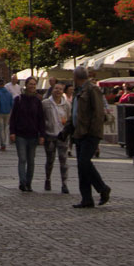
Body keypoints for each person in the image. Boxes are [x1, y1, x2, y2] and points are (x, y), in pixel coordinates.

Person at [71, 66, 110, 209]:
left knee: (84, 162)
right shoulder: (78, 91)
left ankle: (102, 188)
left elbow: (98, 113)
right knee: (81, 167)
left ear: (76, 77)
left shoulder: (92, 90)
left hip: (89, 133)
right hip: (79, 133)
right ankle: (86, 198)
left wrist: (91, 131)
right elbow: (74, 114)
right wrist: (67, 130)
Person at [9, 76, 45, 192]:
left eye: (34, 84)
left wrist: (42, 134)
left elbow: (41, 119)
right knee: (22, 158)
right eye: (30, 84)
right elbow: (13, 117)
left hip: (33, 134)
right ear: (26, 85)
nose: (32, 86)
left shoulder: (38, 101)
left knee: (31, 160)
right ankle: (22, 182)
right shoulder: (18, 99)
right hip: (20, 134)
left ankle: (29, 183)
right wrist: (12, 132)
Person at [43, 81, 71, 193]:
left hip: (62, 136)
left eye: (60, 89)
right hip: (50, 135)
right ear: (52, 90)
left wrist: (68, 131)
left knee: (63, 160)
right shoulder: (45, 103)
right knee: (50, 160)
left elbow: (69, 119)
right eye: (56, 88)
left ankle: (64, 184)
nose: (58, 91)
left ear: (63, 91)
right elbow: (41, 118)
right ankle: (48, 179)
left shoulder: (67, 105)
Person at [0, 81, 14, 150]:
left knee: (1, 129)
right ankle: (4, 142)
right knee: (5, 128)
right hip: (7, 112)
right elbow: (12, 104)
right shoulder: (9, 93)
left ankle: (3, 144)